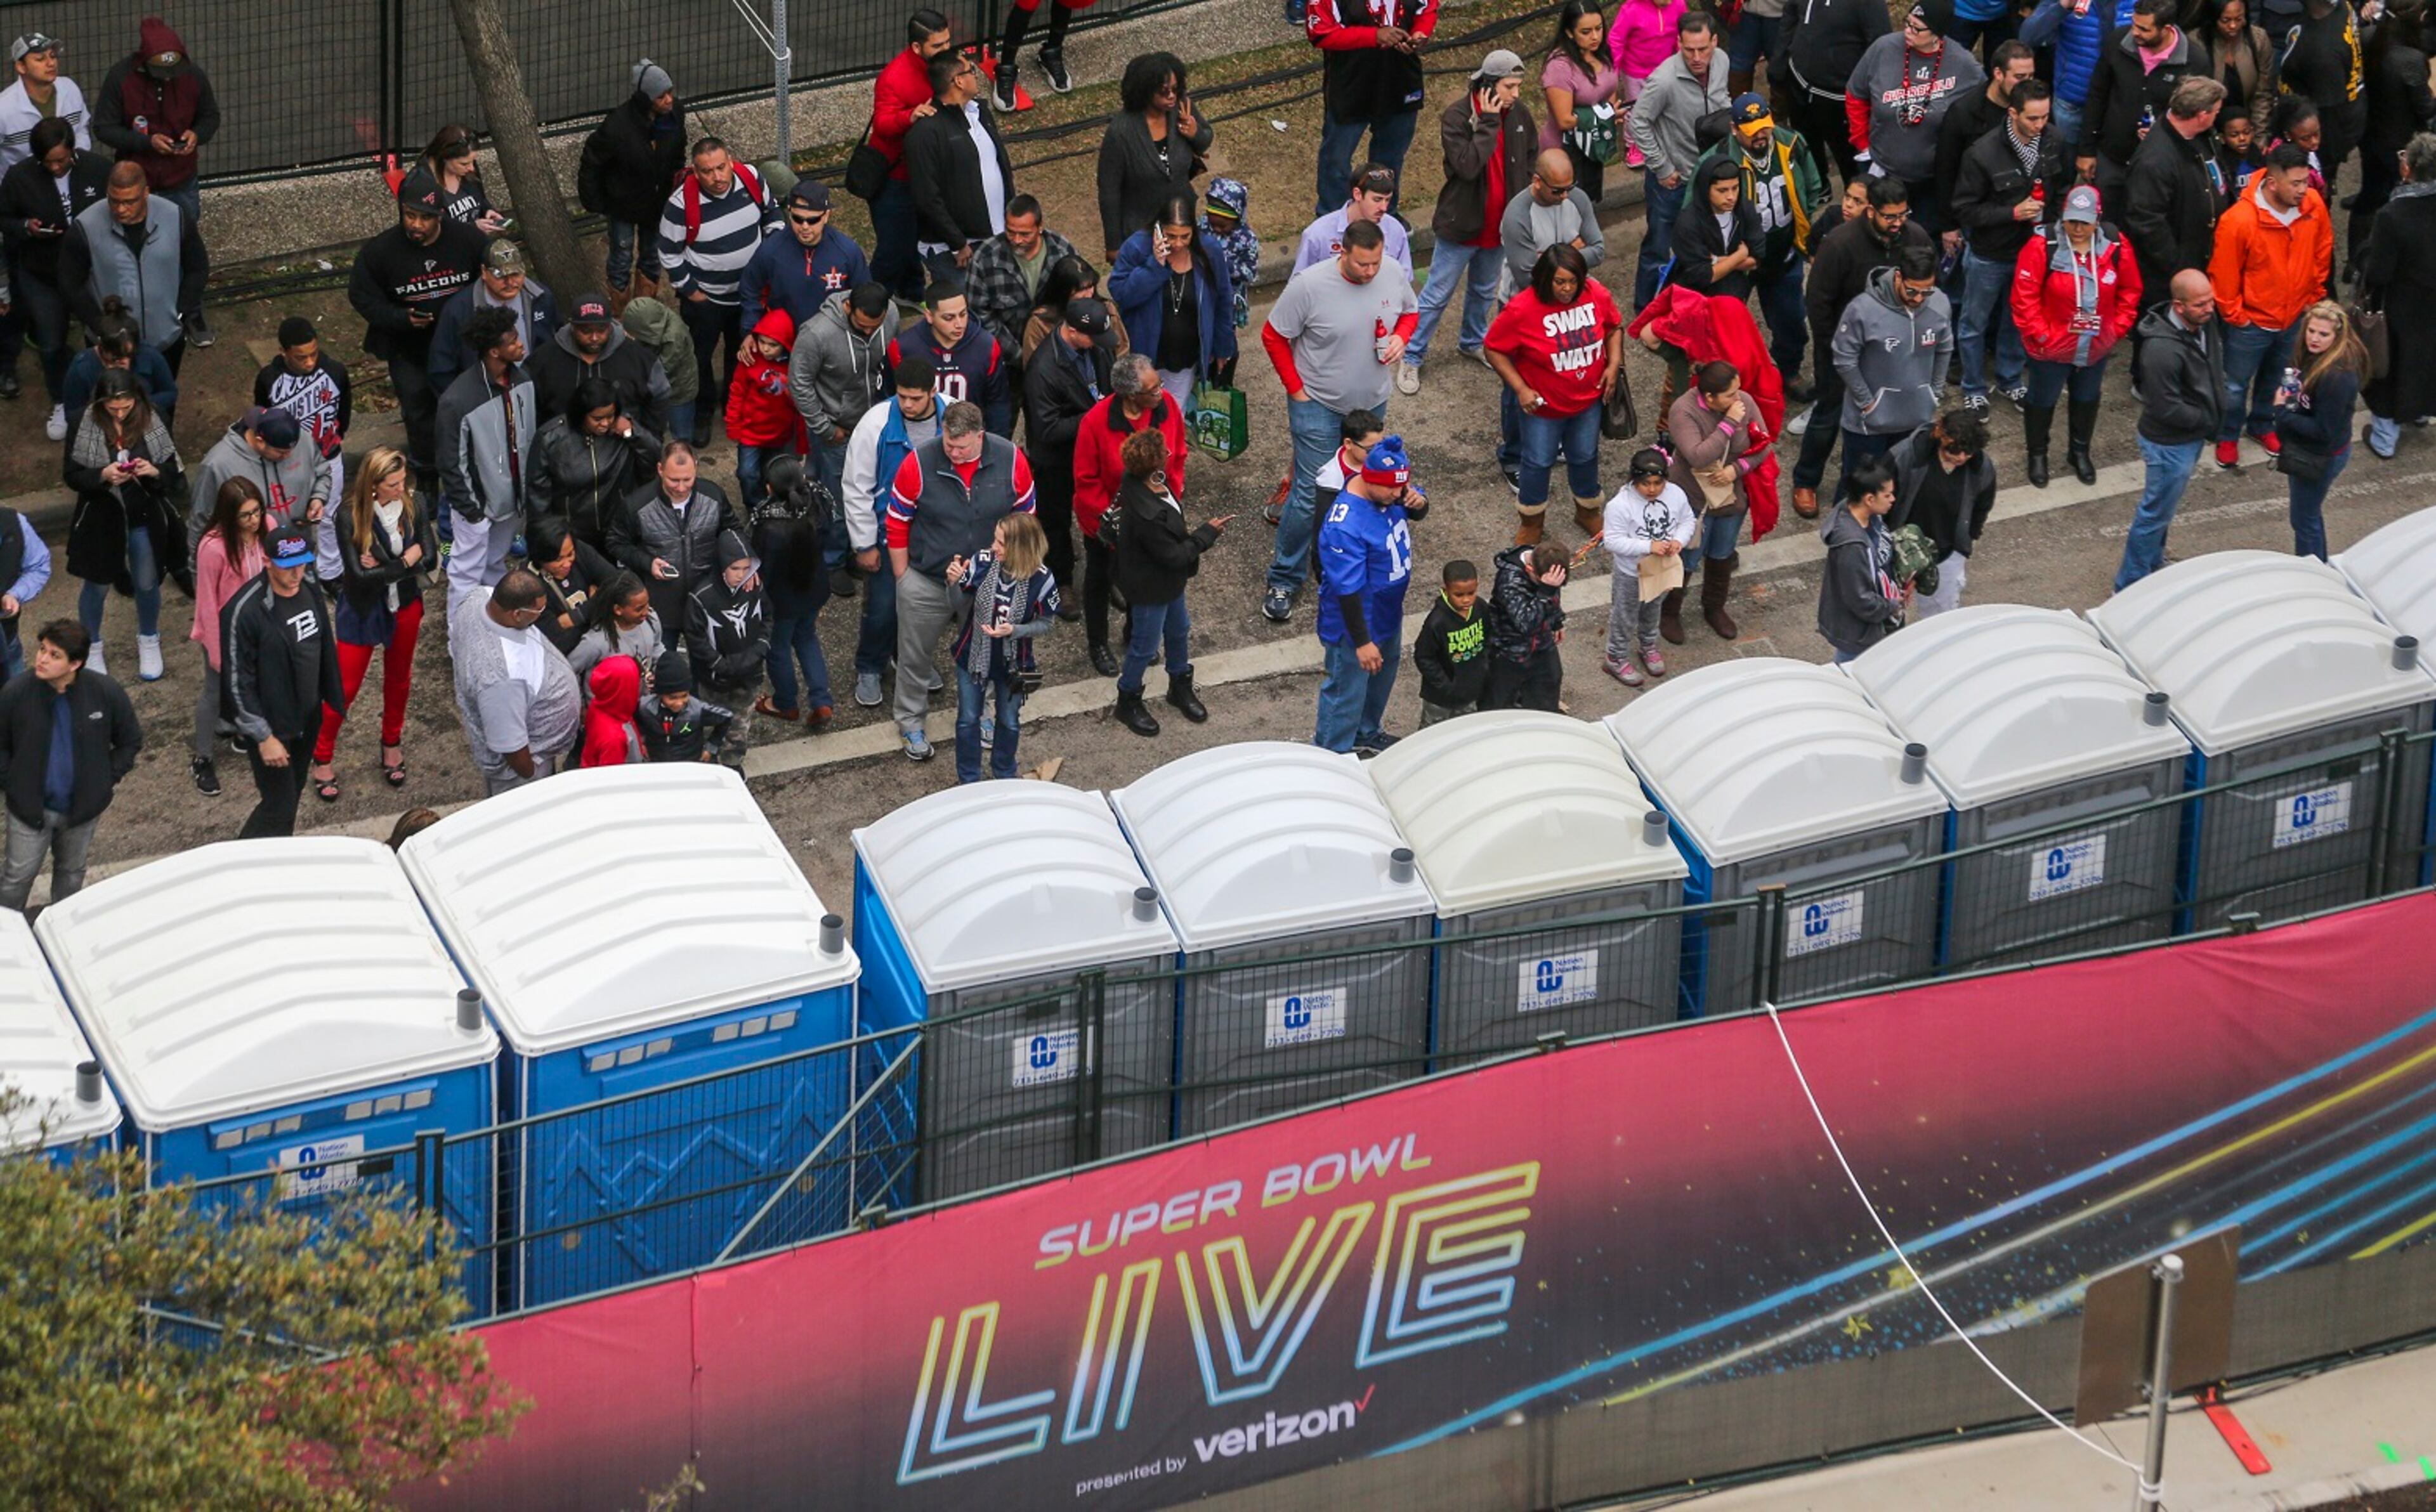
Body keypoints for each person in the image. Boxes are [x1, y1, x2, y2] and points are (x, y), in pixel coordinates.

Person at [1261, 221, 1417, 623]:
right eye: (1363, 264)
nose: (1370, 272)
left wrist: (1402, 336)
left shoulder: (1393, 272)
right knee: (1312, 493)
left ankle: (1355, 561)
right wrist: (1296, 389)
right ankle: (1284, 578)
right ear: (1342, 253)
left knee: (1363, 484)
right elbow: (1273, 335)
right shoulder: (1309, 286)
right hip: (1317, 406)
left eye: (1376, 263)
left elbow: (1410, 313)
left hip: (1371, 407)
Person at [885, 398, 1038, 762]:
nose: (952, 452)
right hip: (926, 580)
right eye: (948, 444)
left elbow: (1026, 519)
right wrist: (903, 575)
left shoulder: (1012, 460)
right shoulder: (919, 462)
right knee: (914, 655)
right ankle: (910, 721)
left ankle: (984, 713)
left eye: (961, 446)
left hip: (989, 581)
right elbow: (897, 519)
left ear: (980, 436)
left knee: (985, 654)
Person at [1793, 176, 1932, 516]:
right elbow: (1819, 303)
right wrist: (1836, 349)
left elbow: (1927, 287)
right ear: (1871, 212)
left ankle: (1878, 486)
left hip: (1894, 353)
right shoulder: (1840, 244)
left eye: (1903, 215)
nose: (1898, 223)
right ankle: (1806, 480)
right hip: (1844, 352)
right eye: (1890, 217)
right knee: (1829, 414)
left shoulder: (1916, 237)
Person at [350, 169, 486, 502]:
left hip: (462, 350)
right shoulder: (380, 252)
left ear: (440, 214)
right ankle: (426, 476)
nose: (416, 225)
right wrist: (400, 318)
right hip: (409, 351)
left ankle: (473, 471)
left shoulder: (469, 240)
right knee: (419, 413)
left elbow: (491, 283)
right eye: (410, 215)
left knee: (467, 409)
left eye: (425, 218)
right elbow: (362, 297)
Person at [1405, 50, 1536, 386]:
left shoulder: (1519, 113)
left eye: (1518, 86)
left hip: (1500, 227)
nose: (1517, 95)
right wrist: (1489, 123)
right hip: (1461, 226)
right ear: (1489, 86)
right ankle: (1412, 356)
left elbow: (1530, 154)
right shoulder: (1458, 117)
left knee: (1483, 290)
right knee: (1437, 295)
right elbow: (1466, 166)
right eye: (1510, 87)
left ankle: (1472, 343)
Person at [311, 446, 435, 800]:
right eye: (393, 484)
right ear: (373, 486)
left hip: (406, 605)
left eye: (402, 481)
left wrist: (381, 563)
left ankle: (391, 742)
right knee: (344, 688)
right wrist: (403, 561)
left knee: (399, 679)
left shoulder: (416, 502)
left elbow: (428, 554)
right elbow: (358, 578)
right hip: (364, 609)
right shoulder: (349, 516)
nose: (401, 489)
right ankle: (322, 755)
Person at [1684, 94, 1828, 394]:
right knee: (1724, 329)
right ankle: (1727, 386)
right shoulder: (1716, 160)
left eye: (1765, 127)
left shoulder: (1792, 144)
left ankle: (1788, 373)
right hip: (1737, 262)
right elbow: (1692, 213)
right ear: (1735, 130)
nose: (1761, 136)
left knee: (1791, 322)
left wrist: (1801, 223)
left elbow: (1813, 185)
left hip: (1782, 254)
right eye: (1752, 132)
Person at [1485, 244, 1625, 545]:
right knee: (1536, 462)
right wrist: (1520, 388)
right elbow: (1494, 348)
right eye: (1559, 281)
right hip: (1543, 409)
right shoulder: (1522, 309)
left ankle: (1587, 512)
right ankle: (1532, 522)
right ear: (1545, 278)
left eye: (1573, 281)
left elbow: (1614, 327)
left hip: (1588, 402)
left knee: (1586, 456)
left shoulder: (1596, 295)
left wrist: (1613, 364)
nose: (1567, 288)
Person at [90, 18, 216, 348]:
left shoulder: (193, 77)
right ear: (143, 62)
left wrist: (196, 135)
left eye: (174, 72)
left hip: (180, 182)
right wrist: (146, 143)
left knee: (185, 251)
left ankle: (190, 312)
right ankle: (129, 315)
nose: (170, 79)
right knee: (135, 253)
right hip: (136, 184)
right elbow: (103, 128)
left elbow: (210, 117)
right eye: (161, 73)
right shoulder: (120, 79)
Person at [1948, 77, 2068, 417]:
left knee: (2018, 319)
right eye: (2033, 118)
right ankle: (1973, 387)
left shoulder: (2054, 141)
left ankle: (2010, 379)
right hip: (1989, 254)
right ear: (2013, 112)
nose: (2041, 125)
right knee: (1974, 323)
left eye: (2045, 117)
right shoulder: (1982, 153)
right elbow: (1965, 208)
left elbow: (2062, 187)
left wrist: (2051, 225)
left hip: (2032, 252)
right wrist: (2012, 213)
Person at [2208, 143, 2333, 469]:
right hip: (2251, 325)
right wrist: (2237, 316)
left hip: (2293, 319)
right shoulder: (2239, 221)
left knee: (2281, 380)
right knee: (2234, 386)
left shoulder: (2313, 205)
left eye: (2306, 181)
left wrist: (2312, 296)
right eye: (2296, 183)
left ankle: (2262, 425)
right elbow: (2223, 273)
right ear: (2273, 183)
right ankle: (2228, 434)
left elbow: (2323, 248)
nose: (2304, 190)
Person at [0, 620, 136, 911]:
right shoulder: (16, 692)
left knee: (71, 875)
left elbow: (130, 741)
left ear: (75, 664)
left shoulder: (105, 692)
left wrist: (104, 779)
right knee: (16, 879)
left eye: (54, 655)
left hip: (81, 812)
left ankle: (64, 935)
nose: (42, 659)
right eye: (42, 650)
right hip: (29, 810)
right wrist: (12, 782)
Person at [2011, 184, 2142, 486]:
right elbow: (2024, 298)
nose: (2078, 228)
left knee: (2086, 398)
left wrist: (2116, 330)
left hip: (2095, 346)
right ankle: (2038, 454)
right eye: (2072, 221)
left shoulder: (2115, 246)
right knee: (2042, 400)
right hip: (2051, 349)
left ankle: (2079, 452)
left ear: (2097, 220)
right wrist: (2043, 336)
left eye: (2085, 222)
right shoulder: (2043, 246)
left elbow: (2130, 290)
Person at [64, 367, 181, 684]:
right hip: (102, 517)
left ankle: (149, 638)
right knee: (97, 585)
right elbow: (72, 475)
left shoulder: (154, 417)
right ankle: (92, 645)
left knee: (146, 582)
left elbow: (173, 470)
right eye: (112, 408)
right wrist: (102, 476)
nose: (119, 413)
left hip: (142, 514)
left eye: (126, 407)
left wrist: (153, 471)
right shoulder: (82, 422)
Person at [1073, 353, 1189, 672]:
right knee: (1099, 580)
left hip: (1152, 520)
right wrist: (1119, 521)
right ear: (1130, 395)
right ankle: (1098, 643)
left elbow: (1177, 455)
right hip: (1105, 524)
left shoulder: (1166, 407)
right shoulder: (1096, 422)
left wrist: (1169, 502)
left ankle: (1135, 633)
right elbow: (1086, 481)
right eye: (1152, 390)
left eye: (1159, 385)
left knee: (1142, 581)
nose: (1161, 393)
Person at [223, 529, 342, 838]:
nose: (296, 573)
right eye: (288, 566)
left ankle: (277, 852)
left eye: (302, 564)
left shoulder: (309, 587)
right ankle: (243, 861)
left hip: (307, 715)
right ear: (267, 561)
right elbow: (237, 682)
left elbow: (322, 643)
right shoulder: (244, 611)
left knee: (293, 793)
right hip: (273, 724)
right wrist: (263, 737)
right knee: (279, 805)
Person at [1110, 428, 1228, 737]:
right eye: (1165, 453)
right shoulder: (1147, 513)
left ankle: (1179, 685)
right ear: (1155, 465)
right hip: (1152, 586)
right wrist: (1206, 535)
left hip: (1167, 582)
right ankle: (1128, 699)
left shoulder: (1146, 483)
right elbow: (1175, 556)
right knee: (1144, 646)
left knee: (1179, 630)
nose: (1169, 454)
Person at [657, 136, 775, 444]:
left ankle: (733, 407)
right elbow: (669, 252)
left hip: (748, 298)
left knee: (743, 352)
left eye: (721, 167)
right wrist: (694, 293)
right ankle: (704, 411)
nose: (717, 177)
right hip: (705, 300)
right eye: (707, 171)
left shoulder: (751, 179)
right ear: (695, 172)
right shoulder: (681, 205)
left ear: (731, 161)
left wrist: (771, 255)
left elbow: (772, 214)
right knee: (699, 357)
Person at [1315, 436, 1427, 755]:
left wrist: (1419, 503)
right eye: (1391, 489)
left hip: (1387, 612)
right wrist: (1362, 641)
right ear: (1369, 479)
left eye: (1402, 487)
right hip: (1356, 625)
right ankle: (1332, 754)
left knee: (1381, 681)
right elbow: (1346, 590)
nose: (1398, 494)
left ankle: (1366, 731)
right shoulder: (1345, 525)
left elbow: (1415, 508)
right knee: (1345, 693)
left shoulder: (1392, 492)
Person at [2116, 269, 2226, 590]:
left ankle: (2153, 564)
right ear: (2179, 307)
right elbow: (2165, 406)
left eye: (2211, 301)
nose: (2210, 308)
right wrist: (2209, 419)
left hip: (2186, 438)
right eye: (2201, 304)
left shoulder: (2202, 321)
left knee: (2162, 512)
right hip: (2170, 445)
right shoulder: (2161, 351)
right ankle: (2130, 585)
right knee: (2153, 516)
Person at [841, 358, 940, 704]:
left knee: (926, 608)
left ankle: (913, 659)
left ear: (934, 392)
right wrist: (864, 543)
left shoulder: (955, 418)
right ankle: (870, 666)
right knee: (882, 607)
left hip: (934, 538)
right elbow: (857, 487)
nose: (908, 405)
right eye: (902, 397)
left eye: (916, 398)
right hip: (887, 538)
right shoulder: (876, 424)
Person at [0, 118, 107, 439]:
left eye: (62, 160)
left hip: (89, 272)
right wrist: (25, 228)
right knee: (50, 342)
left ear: (74, 150)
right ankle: (62, 399)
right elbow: (4, 217)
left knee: (101, 334)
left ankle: (106, 396)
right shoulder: (20, 177)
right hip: (42, 274)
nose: (57, 167)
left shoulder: (98, 169)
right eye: (49, 162)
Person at [1843, 1, 1984, 234]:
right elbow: (1855, 94)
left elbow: (1981, 106)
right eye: (1907, 23)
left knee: (1922, 236)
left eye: (1917, 28)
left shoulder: (1963, 64)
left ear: (1937, 33)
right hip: (1883, 170)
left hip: (1932, 180)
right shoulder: (1883, 48)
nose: (1908, 31)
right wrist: (1862, 143)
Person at [1831, 244, 1956, 496]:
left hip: (1916, 419)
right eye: (1912, 291)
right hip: (1868, 425)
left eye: (1926, 291)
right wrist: (1867, 403)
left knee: (1901, 486)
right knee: (1858, 488)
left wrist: (1935, 392)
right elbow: (1844, 359)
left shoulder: (1940, 304)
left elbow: (1945, 348)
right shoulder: (1862, 310)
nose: (1919, 299)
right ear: (1898, 276)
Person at [58, 160, 204, 376]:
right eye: (114, 200)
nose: (120, 209)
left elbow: (198, 266)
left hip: (166, 339)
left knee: (162, 401)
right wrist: (100, 326)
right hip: (110, 348)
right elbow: (70, 282)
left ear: (146, 193)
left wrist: (181, 312)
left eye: (129, 202)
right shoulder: (85, 227)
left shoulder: (175, 216)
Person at [448, 569, 582, 797]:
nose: (542, 614)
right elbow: (512, 746)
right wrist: (530, 773)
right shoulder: (500, 680)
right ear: (517, 614)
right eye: (539, 610)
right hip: (522, 772)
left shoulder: (479, 597)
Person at [943, 512, 1058, 776]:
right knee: (968, 719)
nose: (994, 547)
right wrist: (953, 583)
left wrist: (1015, 630)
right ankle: (969, 779)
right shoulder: (982, 562)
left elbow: (1047, 624)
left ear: (1021, 548)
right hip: (974, 654)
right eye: (995, 540)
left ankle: (1004, 773)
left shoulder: (1042, 579)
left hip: (1015, 662)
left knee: (1009, 721)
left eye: (1001, 543)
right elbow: (959, 606)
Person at [1630, 11, 1732, 308]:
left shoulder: (1722, 61)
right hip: (1673, 181)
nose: (1697, 57)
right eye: (1688, 50)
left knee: (1703, 244)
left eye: (1703, 48)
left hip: (1707, 175)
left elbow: (1721, 98)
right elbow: (1638, 123)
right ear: (1678, 43)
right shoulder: (1663, 81)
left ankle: (1692, 304)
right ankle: (1646, 309)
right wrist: (1663, 168)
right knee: (1659, 248)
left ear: (1715, 41)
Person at [1023, 297, 1116, 619]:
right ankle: (1061, 582)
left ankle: (1109, 572)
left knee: (1106, 509)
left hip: (1094, 448)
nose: (1100, 345)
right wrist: (1098, 415)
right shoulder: (1042, 370)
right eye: (1093, 338)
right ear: (1072, 332)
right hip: (1056, 460)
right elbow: (1047, 429)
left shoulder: (1097, 347)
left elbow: (1108, 381)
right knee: (1056, 522)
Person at [436, 306, 537, 597]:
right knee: (465, 574)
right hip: (477, 508)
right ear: (494, 351)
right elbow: (451, 462)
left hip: (512, 502)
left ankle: (494, 628)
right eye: (514, 341)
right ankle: (460, 637)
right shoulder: (457, 401)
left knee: (494, 562)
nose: (521, 345)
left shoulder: (524, 380)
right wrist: (472, 512)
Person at [2121, 79, 2230, 345]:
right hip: (2172, 274)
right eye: (2216, 111)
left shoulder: (2201, 136)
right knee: (2165, 337)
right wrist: (2180, 268)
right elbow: (2146, 221)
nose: (2218, 115)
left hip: (2202, 256)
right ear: (2201, 115)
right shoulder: (2156, 160)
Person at [1663, 360, 1765, 640]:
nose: (1739, 398)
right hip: (1693, 502)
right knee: (1687, 559)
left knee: (1721, 554)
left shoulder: (1744, 401)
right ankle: (1670, 612)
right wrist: (1730, 422)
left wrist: (1737, 470)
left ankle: (1714, 608)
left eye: (1739, 390)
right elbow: (1697, 455)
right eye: (1731, 394)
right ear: (1709, 397)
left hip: (1730, 499)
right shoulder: (1684, 411)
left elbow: (1763, 446)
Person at [1307, 0, 1439, 216]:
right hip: (1351, 84)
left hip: (1401, 81)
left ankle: (1385, 214)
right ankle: (1332, 218)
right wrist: (1373, 36)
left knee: (1390, 161)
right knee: (1336, 160)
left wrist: (1420, 34)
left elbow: (1428, 9)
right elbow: (1321, 34)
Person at [1108, 194, 1238, 411]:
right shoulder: (1137, 248)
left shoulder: (1209, 250)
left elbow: (1223, 300)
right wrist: (1154, 266)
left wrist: (1223, 346)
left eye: (1185, 237)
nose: (1178, 244)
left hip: (1185, 357)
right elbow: (1122, 295)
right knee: (1141, 414)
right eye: (1171, 236)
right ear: (1158, 229)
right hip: (1145, 354)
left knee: (1174, 412)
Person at [865, 11, 959, 300]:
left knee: (913, 240)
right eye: (938, 46)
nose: (946, 50)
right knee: (894, 248)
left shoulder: (946, 67)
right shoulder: (894, 78)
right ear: (917, 47)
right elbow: (882, 124)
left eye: (947, 43)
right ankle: (871, 304)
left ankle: (911, 293)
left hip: (926, 175)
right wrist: (910, 116)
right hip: (896, 179)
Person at [2078, 0, 2211, 204]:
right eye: (2134, 24)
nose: (2135, 32)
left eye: (2143, 29)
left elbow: (2198, 119)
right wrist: (2086, 151)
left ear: (2166, 29)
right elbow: (2097, 96)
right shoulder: (2117, 42)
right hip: (2111, 157)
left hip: (2158, 167)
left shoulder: (2195, 62)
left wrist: (2165, 130)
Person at [252, 316, 353, 579]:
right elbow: (262, 420)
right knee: (292, 519)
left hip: (328, 456)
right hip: (287, 463)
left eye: (313, 354)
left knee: (329, 516)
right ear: (284, 352)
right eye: (301, 357)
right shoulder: (269, 379)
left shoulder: (335, 371)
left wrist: (332, 440)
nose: (309, 362)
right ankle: (297, 570)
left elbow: (344, 413)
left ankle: (330, 572)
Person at [790, 282, 900, 525]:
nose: (870, 332)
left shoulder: (891, 313)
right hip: (838, 431)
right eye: (862, 326)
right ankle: (835, 558)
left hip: (878, 425)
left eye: (876, 327)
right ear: (848, 306)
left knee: (875, 489)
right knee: (838, 501)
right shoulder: (816, 334)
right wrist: (825, 429)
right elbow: (799, 383)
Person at [579, 60, 688, 297]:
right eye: (661, 96)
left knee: (652, 255)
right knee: (622, 256)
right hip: (624, 205)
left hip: (657, 202)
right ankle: (620, 312)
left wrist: (676, 184)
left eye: (670, 93)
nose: (669, 100)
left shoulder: (675, 114)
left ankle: (644, 308)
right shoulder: (617, 127)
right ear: (646, 99)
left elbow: (678, 151)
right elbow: (592, 163)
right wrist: (596, 202)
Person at [903, 53, 1014, 284]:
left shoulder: (980, 113)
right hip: (957, 251)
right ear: (959, 81)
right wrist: (957, 242)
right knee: (963, 315)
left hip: (997, 237)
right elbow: (927, 197)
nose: (976, 76)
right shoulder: (925, 133)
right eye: (971, 71)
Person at [2360, 133, 2436, 459]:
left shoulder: (2393, 216)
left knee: (2390, 370)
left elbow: (2378, 273)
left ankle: (2384, 439)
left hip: (2401, 307)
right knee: (2427, 363)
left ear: (2409, 169)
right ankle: (2420, 410)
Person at [2272, 301, 2367, 559]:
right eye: (2311, 331)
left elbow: (2323, 431)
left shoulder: (2338, 377)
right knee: (2307, 515)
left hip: (2320, 455)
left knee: (2304, 519)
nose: (2314, 338)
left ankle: (2312, 568)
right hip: (2309, 448)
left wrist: (2283, 412)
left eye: (2323, 334)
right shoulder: (2312, 355)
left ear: (2337, 336)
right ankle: (2317, 563)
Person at [612, 439, 739, 630]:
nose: (681, 488)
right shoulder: (636, 505)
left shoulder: (714, 495)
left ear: (696, 468)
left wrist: (738, 563)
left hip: (706, 595)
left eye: (687, 479)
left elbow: (732, 531)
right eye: (674, 480)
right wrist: (648, 563)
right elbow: (616, 543)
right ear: (660, 470)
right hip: (661, 601)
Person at [1096, 55, 1212, 264]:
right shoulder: (1121, 132)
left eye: (1176, 89)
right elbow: (1109, 191)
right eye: (1164, 91)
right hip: (1142, 230)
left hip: (1181, 223)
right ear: (1144, 91)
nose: (1172, 97)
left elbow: (1204, 140)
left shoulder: (1181, 107)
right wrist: (1113, 245)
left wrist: (1195, 133)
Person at [187, 478, 261, 797]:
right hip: (224, 629)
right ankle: (202, 757)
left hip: (257, 628)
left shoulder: (267, 529)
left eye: (257, 511)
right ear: (229, 517)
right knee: (214, 691)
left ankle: (242, 730)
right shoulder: (213, 549)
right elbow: (206, 603)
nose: (255, 520)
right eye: (246, 516)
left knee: (254, 683)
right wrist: (216, 651)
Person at [528, 376, 662, 549]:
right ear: (581, 414)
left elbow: (655, 457)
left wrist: (632, 432)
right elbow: (538, 494)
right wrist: (547, 536)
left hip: (617, 528)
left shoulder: (621, 429)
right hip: (574, 533)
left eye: (610, 416)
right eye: (597, 419)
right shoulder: (552, 439)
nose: (605, 424)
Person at [1885, 408, 1995, 616]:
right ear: (1940, 436)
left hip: (1946, 554)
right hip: (1897, 552)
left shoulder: (1982, 468)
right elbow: (1876, 499)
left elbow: (1983, 505)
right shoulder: (1907, 456)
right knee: (1887, 617)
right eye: (1953, 450)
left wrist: (1969, 537)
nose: (1961, 457)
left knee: (1940, 619)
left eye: (1968, 452)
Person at [752, 454, 835, 729]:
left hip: (782, 602)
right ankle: (821, 701)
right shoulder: (819, 502)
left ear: (769, 488)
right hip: (813, 590)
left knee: (778, 650)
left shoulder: (769, 526)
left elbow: (764, 570)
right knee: (807, 638)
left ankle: (786, 703)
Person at [1600, 448, 1695, 686]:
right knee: (1625, 615)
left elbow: (1687, 520)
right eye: (1645, 483)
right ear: (1634, 480)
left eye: (1658, 483)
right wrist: (1647, 546)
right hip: (1631, 572)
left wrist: (1678, 541)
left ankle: (1648, 645)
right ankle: (1615, 656)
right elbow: (1612, 541)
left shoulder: (1676, 494)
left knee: (1653, 610)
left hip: (1661, 569)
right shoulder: (1620, 505)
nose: (1652, 489)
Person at [2352, 3, 2433, 266]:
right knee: (2397, 201)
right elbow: (2425, 108)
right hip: (2401, 144)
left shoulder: (2368, 37)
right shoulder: (2410, 60)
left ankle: (2355, 259)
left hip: (2370, 134)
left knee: (2368, 196)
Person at [428, 239, 561, 396]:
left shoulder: (541, 297)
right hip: (484, 397)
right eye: (501, 276)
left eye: (516, 274)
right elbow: (441, 367)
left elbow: (557, 340)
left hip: (537, 390)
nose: (510, 282)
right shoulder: (459, 310)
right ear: (484, 272)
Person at [187, 405, 326, 552]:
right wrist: (198, 569)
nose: (289, 456)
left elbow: (323, 472)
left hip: (298, 548)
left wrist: (318, 497)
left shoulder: (300, 439)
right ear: (260, 441)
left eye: (292, 450)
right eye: (281, 452)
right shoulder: (217, 465)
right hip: (250, 561)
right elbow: (201, 521)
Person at [1778, 0, 1889, 185]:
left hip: (1840, 97)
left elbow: (1880, 46)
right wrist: (1779, 61)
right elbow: (1790, 14)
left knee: (1849, 166)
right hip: (1799, 82)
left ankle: (1855, 203)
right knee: (1806, 150)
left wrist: (1866, 92)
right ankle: (1819, 188)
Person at [532, 292, 672, 436]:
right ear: (572, 326)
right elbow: (531, 407)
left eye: (601, 330)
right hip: (562, 452)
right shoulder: (544, 359)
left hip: (623, 450)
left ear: (611, 325)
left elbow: (660, 397)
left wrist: (643, 436)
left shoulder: (639, 358)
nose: (594, 337)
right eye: (586, 331)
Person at [740, 181, 872, 332]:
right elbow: (750, 290)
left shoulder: (848, 252)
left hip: (831, 340)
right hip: (785, 343)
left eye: (813, 220)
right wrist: (751, 331)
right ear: (789, 213)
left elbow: (864, 296)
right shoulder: (770, 250)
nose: (805, 226)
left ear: (826, 216)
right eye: (797, 219)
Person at [685, 535, 770, 769]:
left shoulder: (754, 586)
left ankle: (732, 764)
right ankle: (704, 760)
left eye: (746, 568)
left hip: (749, 676)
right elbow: (695, 639)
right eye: (735, 568)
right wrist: (720, 665)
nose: (741, 574)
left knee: (740, 725)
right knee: (708, 720)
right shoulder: (702, 597)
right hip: (715, 679)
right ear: (722, 565)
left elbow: (768, 616)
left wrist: (761, 648)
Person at [889, 280, 1015, 436]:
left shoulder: (986, 346)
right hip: (919, 438)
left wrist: (997, 443)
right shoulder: (903, 347)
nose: (959, 324)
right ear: (929, 316)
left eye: (963, 314)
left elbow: (998, 402)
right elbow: (888, 400)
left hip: (969, 439)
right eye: (949, 318)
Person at [1817, 453, 1904, 662]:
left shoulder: (1873, 518)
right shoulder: (1851, 546)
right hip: (1861, 634)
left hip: (1879, 620)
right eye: (1888, 495)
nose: (1893, 499)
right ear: (1869, 499)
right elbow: (1860, 600)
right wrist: (1891, 605)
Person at [2020, 0, 2132, 162]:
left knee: (2109, 167)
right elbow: (2027, 37)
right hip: (2073, 100)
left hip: (2116, 102)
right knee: (2066, 163)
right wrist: (2062, 7)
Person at [966, 194, 1078, 355]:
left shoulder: (1062, 251)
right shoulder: (985, 258)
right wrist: (1020, 355)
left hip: (1059, 353)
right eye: (1011, 232)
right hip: (1008, 358)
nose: (1017, 240)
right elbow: (979, 314)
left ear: (1040, 227)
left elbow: (1078, 300)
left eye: (1025, 234)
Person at [1543, 2, 1626, 207]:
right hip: (1566, 150)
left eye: (1599, 29)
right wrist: (1604, 114)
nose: (1596, 37)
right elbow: (1564, 120)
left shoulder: (1603, 52)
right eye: (1586, 32)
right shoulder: (1560, 67)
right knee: (1567, 208)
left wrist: (1610, 112)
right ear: (1570, 33)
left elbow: (1609, 90)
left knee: (1588, 205)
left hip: (1593, 145)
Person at [2277, 0, 2368, 185]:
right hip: (2349, 104)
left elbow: (2328, 116)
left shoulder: (2323, 56)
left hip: (2326, 131)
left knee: (2317, 184)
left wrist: (2325, 159)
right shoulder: (2342, 7)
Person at [1930, 41, 2034, 200]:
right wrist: (1948, 222)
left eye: (2031, 76)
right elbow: (1946, 171)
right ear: (1998, 74)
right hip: (1977, 206)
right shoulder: (1964, 112)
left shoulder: (2035, 106)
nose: (2027, 84)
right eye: (2019, 77)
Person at [724, 307, 804, 511]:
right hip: (751, 432)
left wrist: (789, 388)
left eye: (773, 345)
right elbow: (737, 393)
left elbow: (802, 401)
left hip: (781, 433)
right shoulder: (749, 360)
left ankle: (775, 504)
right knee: (747, 473)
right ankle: (755, 507)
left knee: (775, 472)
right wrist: (733, 424)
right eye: (762, 342)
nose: (766, 349)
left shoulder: (795, 365)